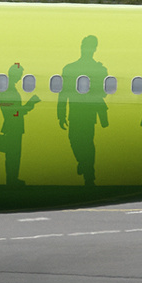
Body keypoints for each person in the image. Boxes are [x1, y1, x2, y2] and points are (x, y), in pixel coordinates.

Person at [56, 35, 108, 187]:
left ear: (93, 49)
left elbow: (104, 93)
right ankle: (84, 163)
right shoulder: (70, 68)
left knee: (87, 143)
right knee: (75, 141)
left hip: (88, 114)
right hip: (75, 113)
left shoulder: (99, 69)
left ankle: (89, 174)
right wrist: (61, 114)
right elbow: (62, 92)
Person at [0, 63, 41, 186]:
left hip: (14, 126)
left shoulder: (9, 89)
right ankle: (11, 179)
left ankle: (12, 178)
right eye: (19, 75)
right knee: (12, 155)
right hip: (12, 126)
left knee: (14, 154)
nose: (20, 78)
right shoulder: (7, 90)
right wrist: (31, 103)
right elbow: (15, 111)